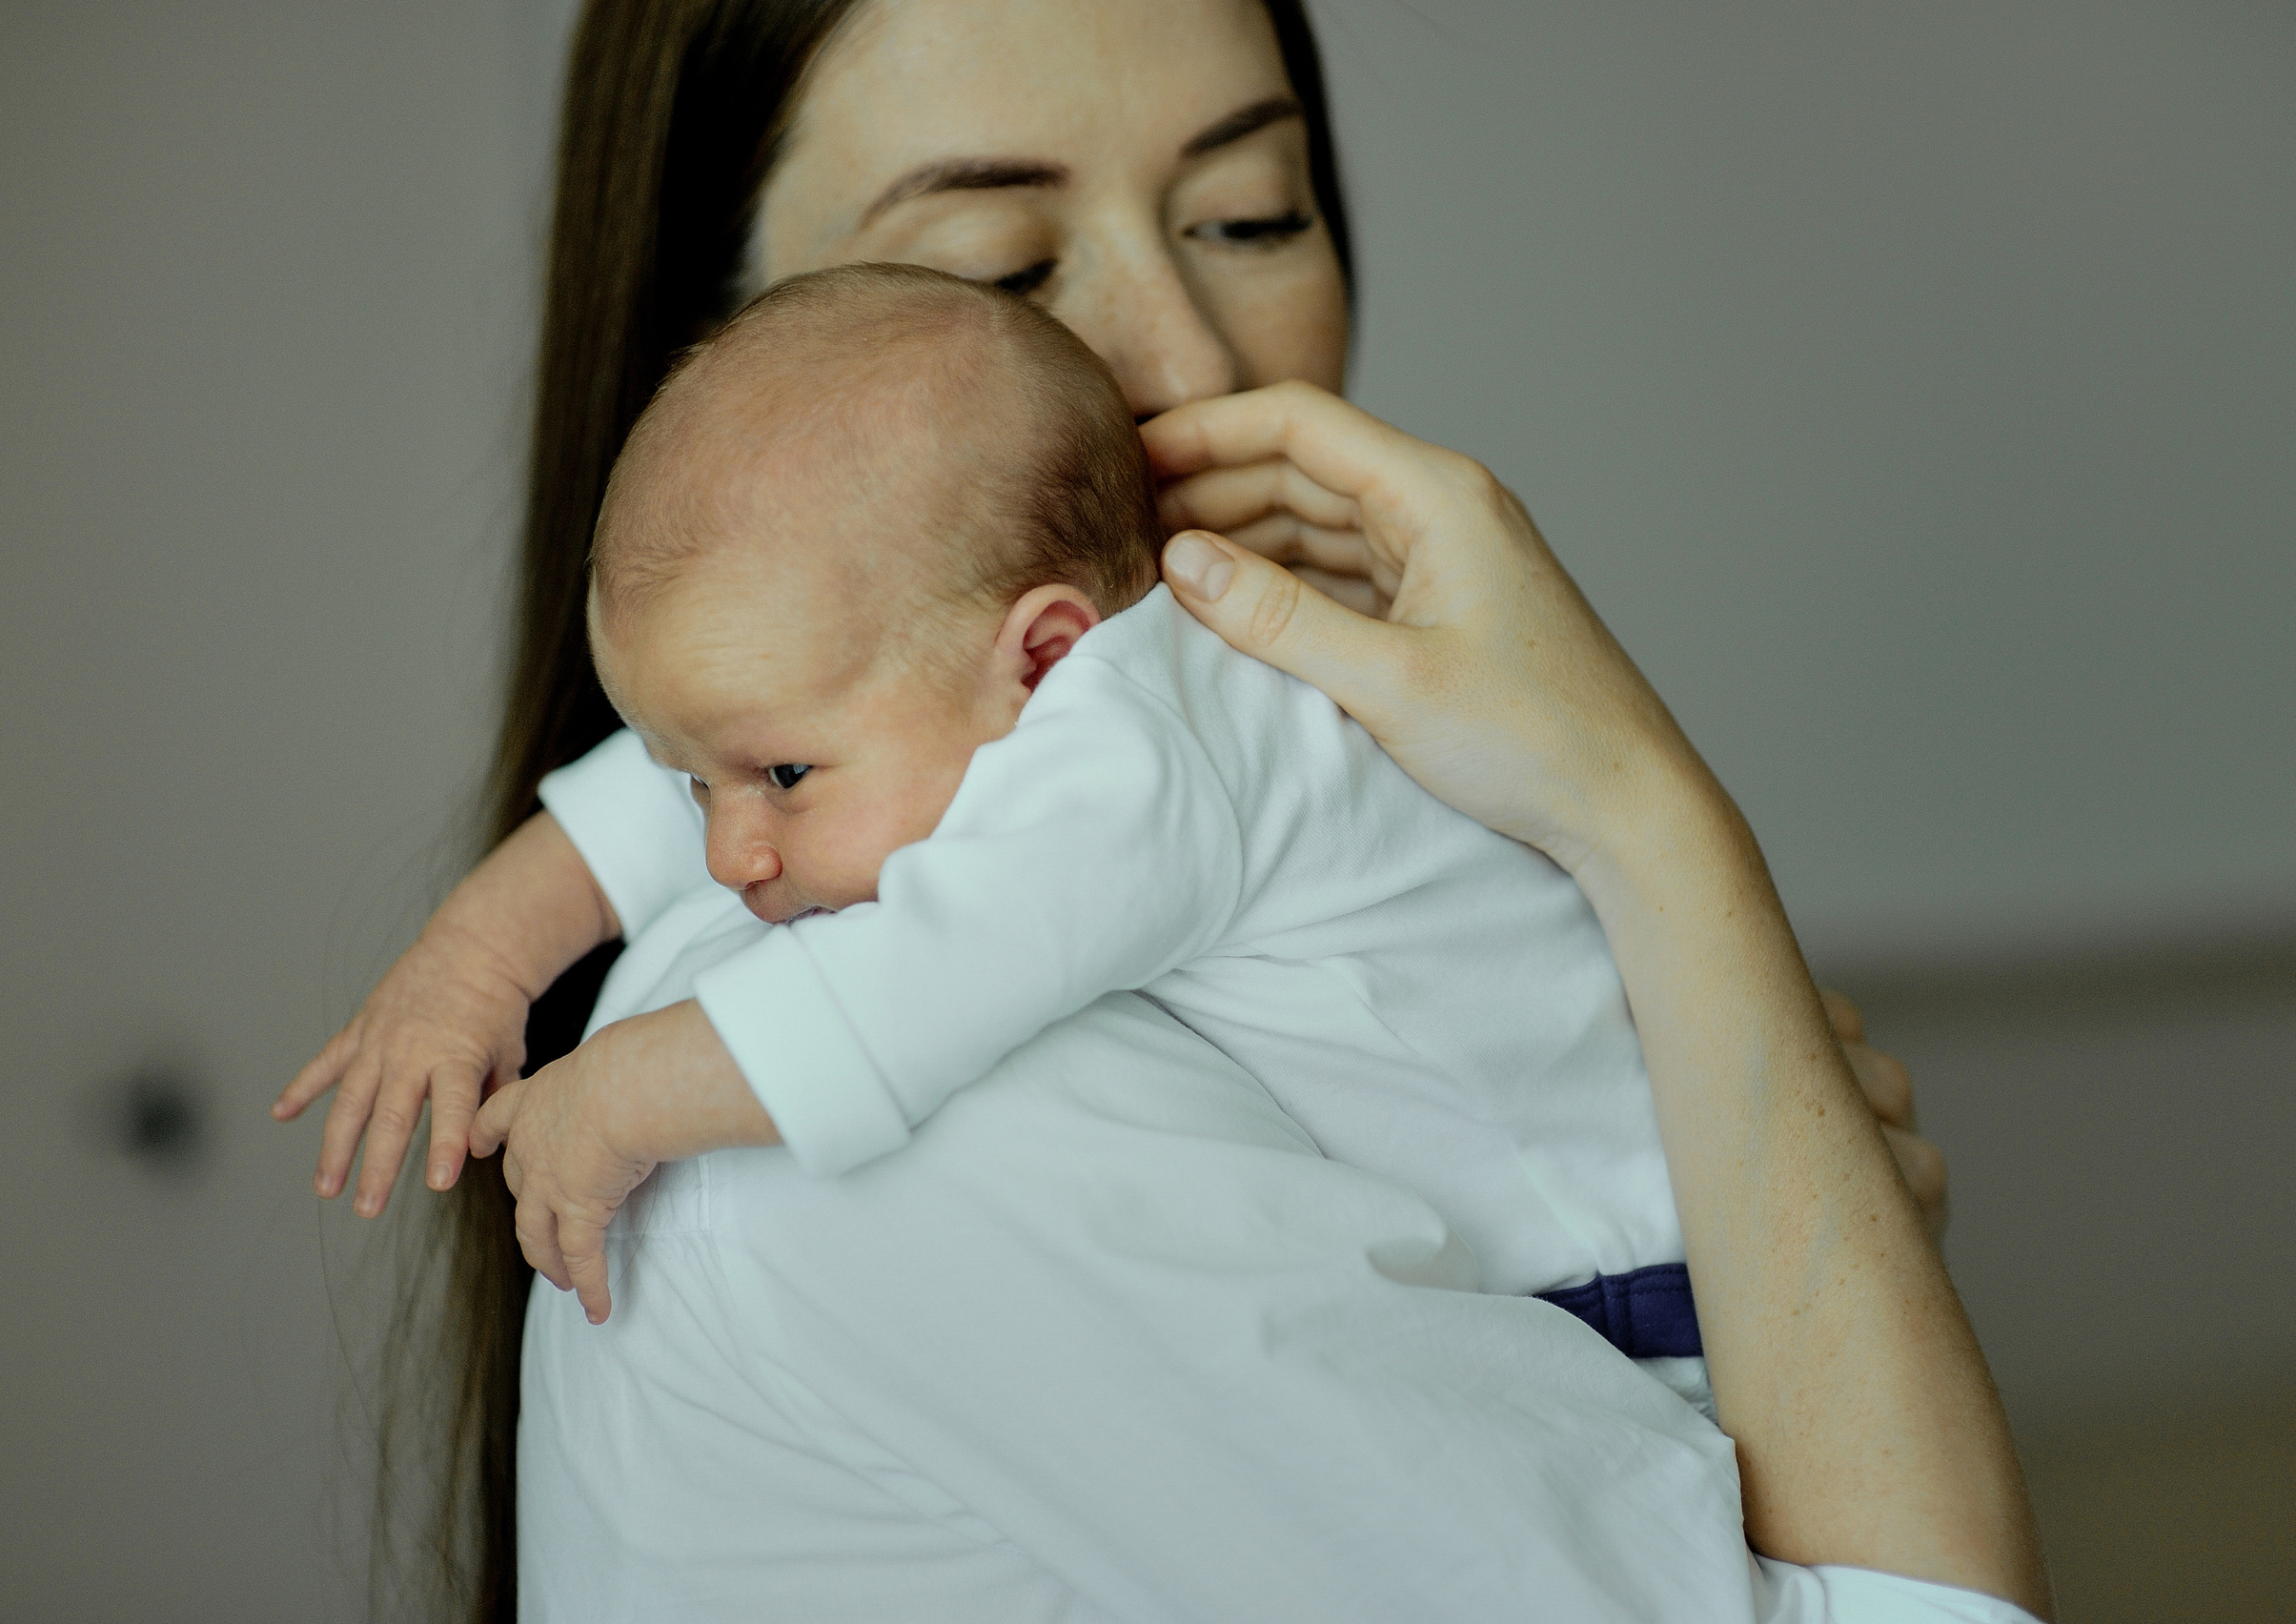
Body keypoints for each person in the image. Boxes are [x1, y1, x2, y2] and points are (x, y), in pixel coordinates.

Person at [274, 1, 2035, 1617]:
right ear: (708, 356)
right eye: (997, 264)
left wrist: (1763, 1134)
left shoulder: (1068, 736)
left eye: (1252, 216)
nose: (1183, 361)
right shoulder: (894, 1102)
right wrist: (1669, 854)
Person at [293, 259, 1718, 1426]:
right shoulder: (935, 696)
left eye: (780, 775)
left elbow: (929, 979)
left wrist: (620, 1094)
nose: (733, 853)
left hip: (1635, 1323)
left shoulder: (1149, 744)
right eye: (696, 785)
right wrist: (469, 971)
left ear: (1044, 659)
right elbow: (661, 785)